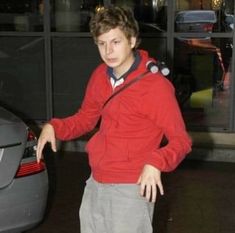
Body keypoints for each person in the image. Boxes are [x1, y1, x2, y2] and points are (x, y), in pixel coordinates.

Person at [36, 6, 192, 233]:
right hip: (96, 182)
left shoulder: (155, 87)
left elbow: (181, 140)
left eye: (115, 42)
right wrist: (55, 127)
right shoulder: (100, 75)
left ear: (132, 40)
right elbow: (86, 119)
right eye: (102, 43)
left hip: (131, 188)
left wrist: (157, 161)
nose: (108, 51)